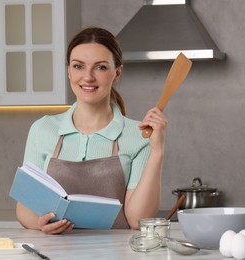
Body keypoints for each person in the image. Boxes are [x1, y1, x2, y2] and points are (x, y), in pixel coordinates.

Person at [16, 27, 167, 234]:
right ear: (69, 71)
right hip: (55, 253)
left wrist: (157, 151)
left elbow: (137, 219)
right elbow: (24, 209)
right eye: (78, 66)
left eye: (101, 68)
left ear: (117, 73)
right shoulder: (43, 129)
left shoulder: (140, 135)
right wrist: (40, 223)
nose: (87, 77)